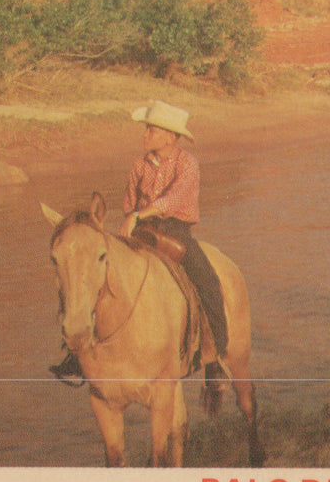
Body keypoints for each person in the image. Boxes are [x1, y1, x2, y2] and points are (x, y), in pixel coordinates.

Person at [51, 99, 228, 384]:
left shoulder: (187, 164)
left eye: (152, 130)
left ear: (171, 136)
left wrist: (137, 216)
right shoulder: (139, 165)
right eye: (147, 129)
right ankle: (78, 354)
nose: (145, 135)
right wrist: (132, 218)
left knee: (208, 282)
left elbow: (173, 200)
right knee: (98, 275)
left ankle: (216, 355)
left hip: (175, 229)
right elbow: (128, 201)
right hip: (141, 226)